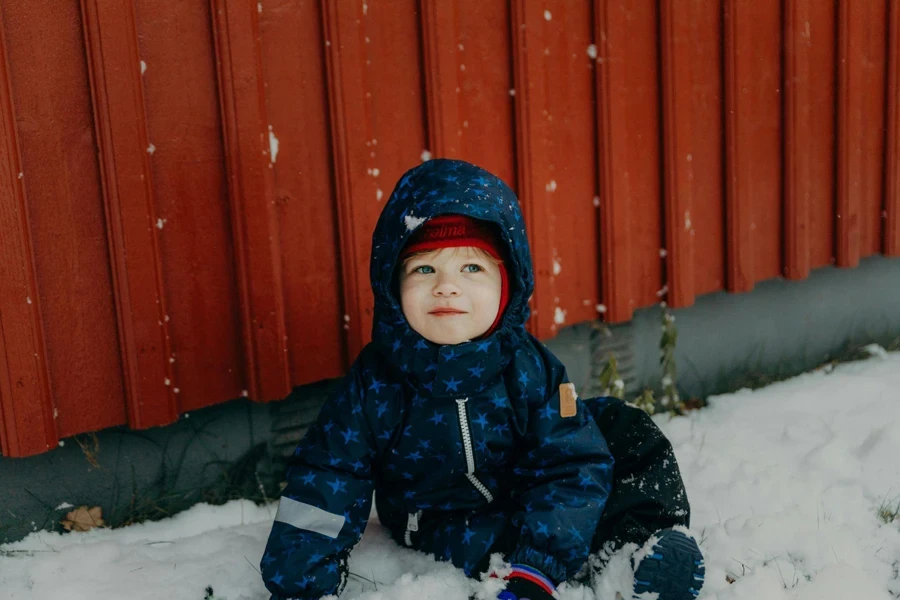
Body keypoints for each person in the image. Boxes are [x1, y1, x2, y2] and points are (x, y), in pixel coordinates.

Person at [260, 159, 704, 600]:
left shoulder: (530, 367)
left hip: (532, 490)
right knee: (494, 535)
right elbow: (327, 474)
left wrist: (546, 547)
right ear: (392, 287)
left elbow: (571, 463)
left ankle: (638, 549)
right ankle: (558, 562)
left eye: (472, 269)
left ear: (508, 284)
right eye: (424, 269)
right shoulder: (374, 385)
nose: (447, 287)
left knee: (615, 428)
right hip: (445, 519)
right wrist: (302, 581)